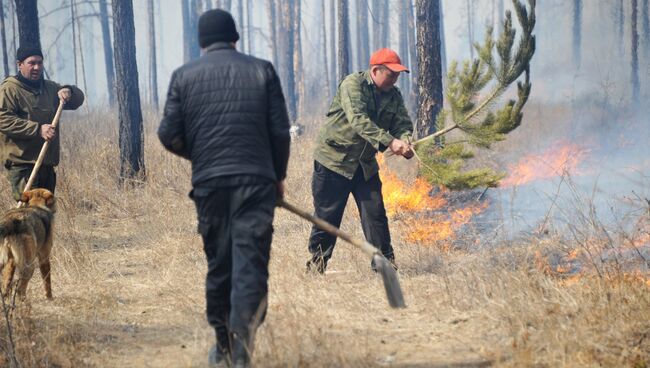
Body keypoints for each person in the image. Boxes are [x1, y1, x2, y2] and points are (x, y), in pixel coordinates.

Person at [157, 9, 290, 368]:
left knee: (220, 264)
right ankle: (242, 344)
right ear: (235, 37)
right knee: (250, 263)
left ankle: (223, 348)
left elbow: (168, 134)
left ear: (201, 43)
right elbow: (280, 131)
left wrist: (201, 155)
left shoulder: (183, 76)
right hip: (256, 182)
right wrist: (277, 176)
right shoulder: (262, 70)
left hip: (210, 184)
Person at [306, 48, 414, 274]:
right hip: (334, 162)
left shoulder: (394, 95)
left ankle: (385, 267)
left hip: (364, 166)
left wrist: (405, 140)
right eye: (391, 74)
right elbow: (359, 121)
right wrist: (390, 142)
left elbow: (402, 123)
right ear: (375, 70)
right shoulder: (352, 85)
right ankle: (317, 266)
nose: (395, 79)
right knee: (327, 218)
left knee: (376, 216)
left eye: (397, 74)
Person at [0, 46, 85, 200]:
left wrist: (68, 91)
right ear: (20, 64)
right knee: (31, 214)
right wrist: (37, 129)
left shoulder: (50, 88)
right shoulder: (10, 89)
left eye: (40, 63)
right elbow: (3, 119)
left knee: (45, 215)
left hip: (46, 164)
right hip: (23, 165)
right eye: (31, 63)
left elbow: (77, 100)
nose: (37, 67)